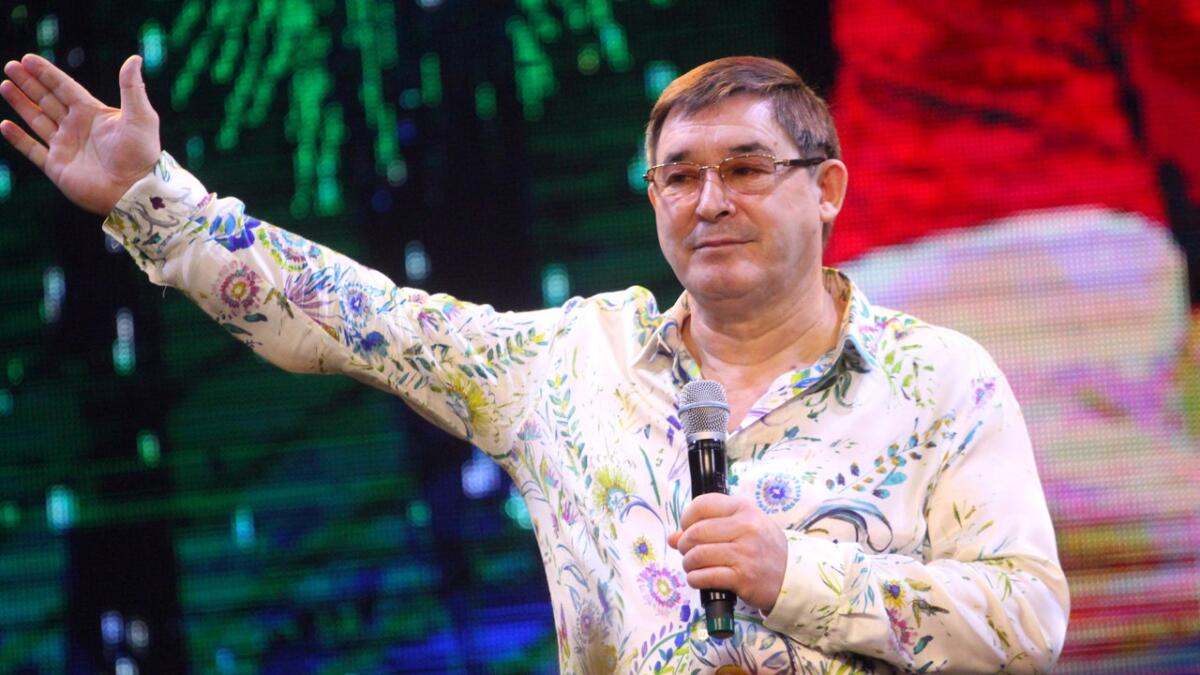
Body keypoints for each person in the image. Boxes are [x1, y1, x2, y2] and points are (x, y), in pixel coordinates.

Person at [1, 53, 1069, 673]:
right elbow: (358, 320)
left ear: (826, 188)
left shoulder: (937, 377)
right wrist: (156, 201)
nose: (709, 202)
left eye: (747, 168)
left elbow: (1026, 620)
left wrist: (797, 575)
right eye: (679, 176)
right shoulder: (571, 365)